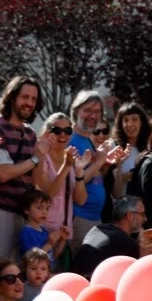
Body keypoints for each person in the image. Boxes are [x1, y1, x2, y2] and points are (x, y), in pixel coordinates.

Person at [0, 76, 46, 278]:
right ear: (12, 97)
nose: (29, 103)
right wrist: (35, 159)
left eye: (33, 99)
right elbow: (3, 173)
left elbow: (36, 180)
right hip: (0, 211)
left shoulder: (30, 133)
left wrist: (42, 158)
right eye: (25, 97)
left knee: (17, 274)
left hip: (23, 215)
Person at [68, 91, 121, 251]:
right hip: (79, 218)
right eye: (88, 110)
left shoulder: (86, 139)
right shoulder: (70, 139)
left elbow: (94, 176)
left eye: (97, 111)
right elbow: (74, 182)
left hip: (94, 217)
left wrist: (105, 162)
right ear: (76, 111)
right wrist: (99, 161)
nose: (93, 115)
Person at [33, 112, 85, 259]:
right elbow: (46, 195)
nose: (63, 135)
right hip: (42, 231)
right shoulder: (41, 156)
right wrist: (66, 167)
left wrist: (79, 173)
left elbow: (81, 200)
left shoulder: (70, 157)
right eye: (57, 130)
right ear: (48, 133)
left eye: (68, 131)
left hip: (64, 233)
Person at [71, 195, 152, 278]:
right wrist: (145, 253)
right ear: (130, 216)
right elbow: (136, 274)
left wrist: (138, 244)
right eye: (142, 214)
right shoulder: (125, 242)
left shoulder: (98, 229)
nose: (145, 219)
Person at [109, 102, 152, 200]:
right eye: (125, 120)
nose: (130, 124)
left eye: (134, 119)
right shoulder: (113, 147)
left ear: (141, 122)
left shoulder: (149, 147)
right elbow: (116, 193)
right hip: (121, 209)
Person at [18, 188, 67, 266]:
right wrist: (50, 244)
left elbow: (52, 257)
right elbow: (33, 260)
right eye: (39, 208)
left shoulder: (44, 231)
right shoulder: (27, 232)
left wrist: (62, 240)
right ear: (26, 210)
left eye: (47, 208)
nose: (44, 212)